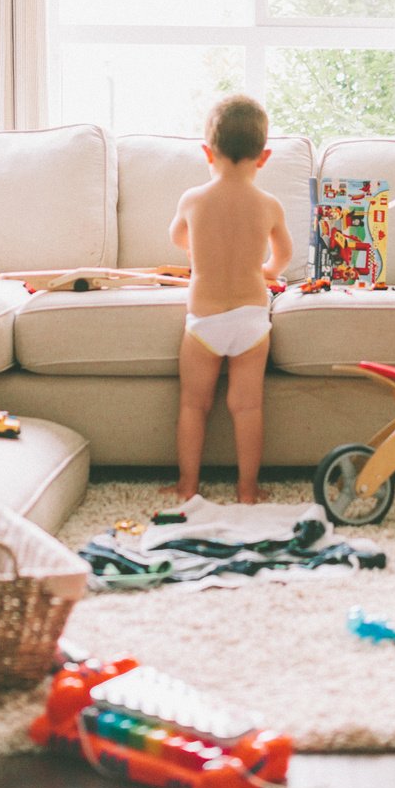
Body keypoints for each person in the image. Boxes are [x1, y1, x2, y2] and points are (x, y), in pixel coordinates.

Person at [166, 95, 292, 504]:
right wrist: (266, 272)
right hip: (252, 319)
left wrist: (198, 252)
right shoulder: (268, 204)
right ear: (264, 156)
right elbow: (284, 256)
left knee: (193, 405)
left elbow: (178, 238)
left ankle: (188, 487)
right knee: (247, 406)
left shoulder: (193, 199)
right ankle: (248, 489)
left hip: (204, 320)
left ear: (207, 151)